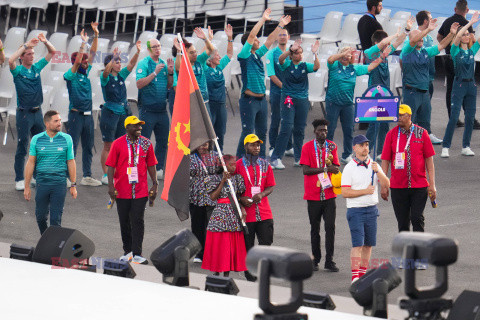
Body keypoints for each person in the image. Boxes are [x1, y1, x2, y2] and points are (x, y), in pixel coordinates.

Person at [235, 9, 291, 158]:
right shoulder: (244, 55)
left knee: (261, 133)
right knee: (247, 133)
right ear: (249, 43)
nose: (259, 41)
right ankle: (240, 162)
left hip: (261, 101)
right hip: (249, 101)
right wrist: (262, 20)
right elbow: (252, 35)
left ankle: (261, 161)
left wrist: (280, 25)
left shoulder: (257, 55)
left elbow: (270, 40)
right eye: (256, 40)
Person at [106, 116, 158, 265]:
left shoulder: (147, 144)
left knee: (138, 221)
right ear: (127, 128)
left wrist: (155, 183)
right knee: (124, 221)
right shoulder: (118, 144)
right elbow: (111, 166)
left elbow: (151, 164)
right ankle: (127, 251)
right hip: (122, 190)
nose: (139, 128)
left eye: (140, 126)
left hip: (140, 190)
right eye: (135, 126)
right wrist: (111, 186)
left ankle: (137, 253)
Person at [9, 33, 56, 191]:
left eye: (33, 54)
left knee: (39, 146)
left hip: (38, 113)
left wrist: (45, 41)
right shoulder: (18, 71)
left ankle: (36, 176)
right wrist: (26, 44)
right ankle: (19, 179)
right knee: (23, 146)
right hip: (24, 113)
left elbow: (52, 52)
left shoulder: (36, 68)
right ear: (22, 57)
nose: (32, 56)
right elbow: (10, 60)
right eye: (29, 54)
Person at [401, 19, 458, 145]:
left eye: (422, 37)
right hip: (411, 92)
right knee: (409, 121)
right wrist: (427, 30)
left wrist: (452, 34)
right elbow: (414, 40)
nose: (421, 39)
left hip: (424, 92)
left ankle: (423, 141)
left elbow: (442, 45)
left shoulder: (425, 51)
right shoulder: (407, 52)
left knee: (425, 121)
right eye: (418, 37)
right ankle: (406, 146)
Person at [341, 135, 389, 283]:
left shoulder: (374, 164)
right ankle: (355, 276)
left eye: (367, 145)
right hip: (356, 210)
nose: (365, 148)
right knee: (358, 244)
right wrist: (365, 191)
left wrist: (379, 171)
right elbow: (345, 192)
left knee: (368, 244)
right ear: (355, 148)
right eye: (362, 145)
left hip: (372, 209)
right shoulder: (349, 168)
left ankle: (363, 274)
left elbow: (387, 184)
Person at [381, 104, 436, 233]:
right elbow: (385, 161)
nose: (398, 118)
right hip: (398, 187)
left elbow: (429, 160)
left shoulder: (422, 133)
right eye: (397, 115)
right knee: (403, 224)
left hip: (419, 186)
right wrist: (383, 184)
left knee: (417, 219)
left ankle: (419, 251)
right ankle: (405, 252)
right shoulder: (391, 134)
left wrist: (432, 184)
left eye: (401, 115)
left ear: (409, 116)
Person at [325, 47, 383, 163]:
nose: (347, 56)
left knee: (349, 130)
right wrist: (343, 53)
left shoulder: (354, 68)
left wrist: (382, 56)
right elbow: (330, 60)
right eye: (344, 54)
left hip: (347, 104)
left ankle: (346, 155)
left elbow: (371, 67)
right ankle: (327, 155)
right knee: (330, 130)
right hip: (333, 103)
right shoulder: (334, 66)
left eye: (349, 55)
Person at [23, 110, 77, 235]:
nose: (60, 123)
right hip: (42, 183)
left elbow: (71, 162)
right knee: (40, 217)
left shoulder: (66, 139)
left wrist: (73, 185)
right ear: (47, 124)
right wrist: (27, 186)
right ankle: (46, 239)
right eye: (56, 121)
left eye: (60, 120)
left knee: (55, 220)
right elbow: (30, 163)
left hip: (59, 183)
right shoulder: (37, 139)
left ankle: (53, 248)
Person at [270, 39, 320, 169]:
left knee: (299, 129)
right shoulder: (286, 64)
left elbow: (316, 67)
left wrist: (315, 54)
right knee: (287, 127)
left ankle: (298, 158)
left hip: (302, 99)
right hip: (288, 99)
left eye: (300, 53)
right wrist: (290, 50)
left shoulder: (304, 65)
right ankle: (275, 158)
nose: (299, 55)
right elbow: (280, 60)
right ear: (292, 55)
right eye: (296, 53)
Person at [365, 22, 411, 160]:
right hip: (373, 96)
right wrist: (393, 36)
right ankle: (366, 152)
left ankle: (381, 152)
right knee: (373, 125)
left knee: (385, 125)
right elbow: (388, 42)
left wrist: (407, 29)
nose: (388, 45)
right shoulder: (369, 54)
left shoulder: (385, 54)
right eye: (385, 43)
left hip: (386, 95)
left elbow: (398, 42)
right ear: (377, 43)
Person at [300, 119, 340, 272]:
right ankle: (315, 259)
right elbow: (306, 170)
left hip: (329, 194)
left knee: (330, 227)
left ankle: (329, 260)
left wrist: (333, 168)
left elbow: (335, 165)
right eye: (320, 130)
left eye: (325, 130)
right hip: (313, 195)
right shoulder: (307, 147)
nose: (323, 133)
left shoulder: (332, 146)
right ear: (314, 132)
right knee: (314, 228)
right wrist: (325, 169)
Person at [65, 23, 102, 187]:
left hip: (88, 116)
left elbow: (92, 53)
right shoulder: (70, 75)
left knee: (88, 146)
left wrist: (96, 36)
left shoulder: (85, 72)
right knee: (71, 148)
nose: (86, 63)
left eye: (86, 61)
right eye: (83, 61)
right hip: (75, 116)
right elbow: (79, 60)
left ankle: (86, 176)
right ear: (77, 62)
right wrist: (82, 44)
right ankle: (67, 177)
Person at [99, 41, 141, 185]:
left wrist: (137, 52)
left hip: (123, 113)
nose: (119, 64)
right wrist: (113, 57)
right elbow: (105, 71)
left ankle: (121, 171)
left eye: (119, 61)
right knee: (108, 145)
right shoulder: (105, 77)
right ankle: (105, 174)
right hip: (109, 113)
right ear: (110, 64)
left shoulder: (121, 76)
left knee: (122, 144)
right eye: (116, 62)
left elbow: (131, 65)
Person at [237, 134, 275, 281]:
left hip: (264, 212)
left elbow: (270, 185)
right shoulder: (238, 165)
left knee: (266, 242)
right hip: (247, 213)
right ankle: (250, 272)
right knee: (248, 245)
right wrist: (241, 199)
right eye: (253, 145)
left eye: (258, 145)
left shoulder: (265, 165)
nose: (256, 147)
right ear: (246, 146)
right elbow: (231, 188)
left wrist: (263, 194)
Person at [441, 12, 479, 158]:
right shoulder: (455, 50)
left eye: (468, 34)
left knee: (470, 117)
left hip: (471, 87)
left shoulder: (472, 50)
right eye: (464, 34)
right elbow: (456, 37)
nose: (466, 36)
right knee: (454, 117)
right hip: (459, 86)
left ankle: (466, 146)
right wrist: (469, 23)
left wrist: (474, 26)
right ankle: (446, 146)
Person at [202, 155, 247, 277]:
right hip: (220, 214)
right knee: (219, 245)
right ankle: (216, 273)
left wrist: (243, 209)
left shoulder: (237, 178)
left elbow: (239, 197)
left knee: (230, 246)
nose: (234, 166)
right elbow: (213, 197)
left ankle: (226, 275)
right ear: (224, 165)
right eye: (231, 164)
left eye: (235, 164)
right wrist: (223, 181)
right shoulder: (213, 178)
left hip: (233, 214)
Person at [438, 0, 480, 129]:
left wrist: (447, 46)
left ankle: (454, 118)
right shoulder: (466, 24)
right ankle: (471, 120)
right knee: (465, 88)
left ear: (455, 9)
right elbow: (472, 40)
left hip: (448, 57)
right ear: (467, 10)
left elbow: (439, 37)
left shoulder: (447, 21)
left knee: (451, 89)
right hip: (462, 60)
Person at [136, 38, 174, 181]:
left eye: (159, 46)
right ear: (149, 49)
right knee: (144, 142)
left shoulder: (164, 64)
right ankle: (140, 169)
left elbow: (169, 86)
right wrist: (154, 73)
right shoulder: (144, 63)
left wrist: (170, 73)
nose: (158, 48)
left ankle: (158, 168)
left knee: (163, 141)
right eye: (154, 46)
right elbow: (139, 84)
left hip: (161, 110)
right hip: (148, 110)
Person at [189, 141, 221, 263]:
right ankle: (199, 253)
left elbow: (222, 172)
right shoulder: (190, 157)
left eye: (205, 144)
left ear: (210, 144)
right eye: (200, 144)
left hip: (212, 196)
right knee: (197, 226)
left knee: (211, 226)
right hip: (195, 196)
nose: (202, 147)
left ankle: (210, 252)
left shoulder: (216, 156)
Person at [205, 25, 234, 151]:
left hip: (221, 105)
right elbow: (203, 55)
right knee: (209, 135)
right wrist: (208, 40)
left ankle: (219, 157)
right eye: (217, 55)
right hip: (210, 105)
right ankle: (207, 158)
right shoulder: (205, 70)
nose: (219, 57)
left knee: (220, 133)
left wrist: (230, 38)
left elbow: (229, 54)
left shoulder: (219, 67)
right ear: (210, 59)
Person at [266, 26, 293, 157]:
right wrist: (285, 87)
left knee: (288, 120)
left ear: (288, 37)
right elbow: (271, 75)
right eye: (280, 34)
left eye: (285, 35)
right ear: (277, 37)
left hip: (290, 93)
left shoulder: (292, 52)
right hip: (277, 93)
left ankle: (288, 146)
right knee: (276, 119)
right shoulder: (271, 53)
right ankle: (272, 146)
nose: (282, 36)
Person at [174, 27, 215, 114]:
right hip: (191, 103)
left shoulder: (199, 60)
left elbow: (211, 50)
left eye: (195, 52)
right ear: (185, 54)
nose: (195, 54)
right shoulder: (184, 65)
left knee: (208, 127)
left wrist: (205, 38)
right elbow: (178, 68)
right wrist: (178, 51)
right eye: (192, 53)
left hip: (205, 101)